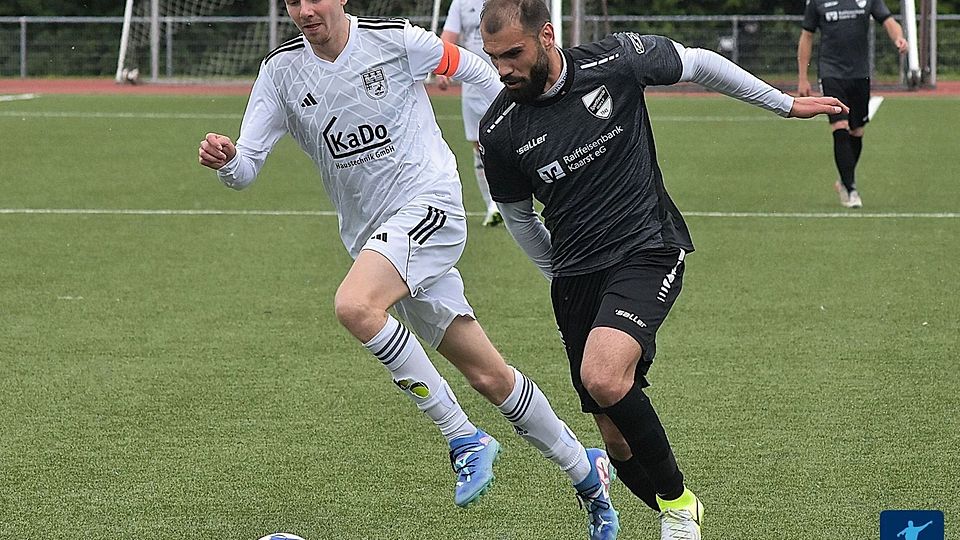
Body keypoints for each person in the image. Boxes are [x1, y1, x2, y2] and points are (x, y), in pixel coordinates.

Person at [197, 0, 618, 538]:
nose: (304, 10)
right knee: (489, 375)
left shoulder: (395, 40)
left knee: (355, 305)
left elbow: (474, 68)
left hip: (429, 207)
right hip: (375, 242)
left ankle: (463, 436)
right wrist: (228, 159)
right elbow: (245, 169)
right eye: (292, 0)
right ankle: (587, 473)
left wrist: (515, 132)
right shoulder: (280, 72)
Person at [476, 1, 847, 539]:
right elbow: (518, 219)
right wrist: (557, 272)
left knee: (603, 376)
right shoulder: (500, 129)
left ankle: (676, 506)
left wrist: (785, 104)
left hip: (646, 246)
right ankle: (682, 507)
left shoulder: (616, 61)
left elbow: (698, 63)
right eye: (494, 58)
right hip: (576, 276)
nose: (504, 69)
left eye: (514, 53)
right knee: (616, 438)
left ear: (547, 36)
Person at [797, 0, 908, 208]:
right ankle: (851, 189)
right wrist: (803, 77)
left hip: (859, 74)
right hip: (831, 73)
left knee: (857, 131)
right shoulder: (817, 2)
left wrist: (899, 38)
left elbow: (888, 20)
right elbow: (806, 36)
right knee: (840, 126)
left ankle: (844, 180)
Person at [436, 0, 503, 227]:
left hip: (506, 80)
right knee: (479, 147)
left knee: (510, 142)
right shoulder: (461, 2)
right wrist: (442, 69)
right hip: (473, 87)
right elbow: (449, 36)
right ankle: (492, 205)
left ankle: (514, 199)